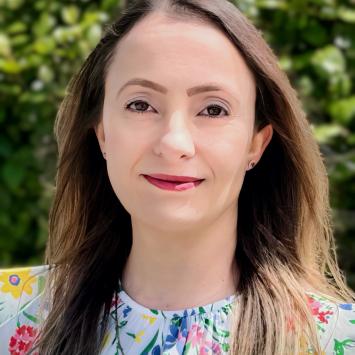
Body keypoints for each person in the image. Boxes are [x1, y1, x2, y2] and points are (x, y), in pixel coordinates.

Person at [0, 0, 354, 354]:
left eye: (213, 109)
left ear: (256, 144)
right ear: (102, 132)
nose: (174, 143)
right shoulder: (11, 317)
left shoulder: (337, 340)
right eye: (141, 105)